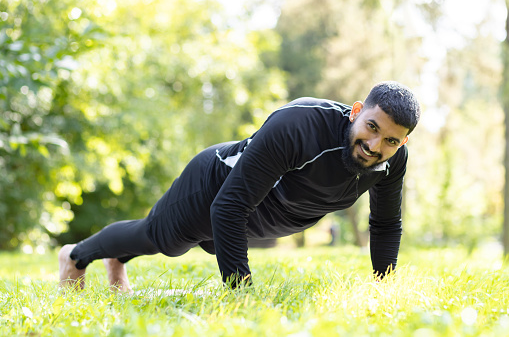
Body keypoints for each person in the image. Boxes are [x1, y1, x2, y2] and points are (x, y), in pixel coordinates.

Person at [59, 81, 420, 293]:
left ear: (401, 144)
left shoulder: (391, 162)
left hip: (258, 217)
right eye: (372, 127)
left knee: (167, 242)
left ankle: (117, 260)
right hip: (214, 186)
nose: (374, 146)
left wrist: (382, 288)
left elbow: (386, 224)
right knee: (161, 240)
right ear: (357, 111)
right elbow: (229, 206)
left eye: (390, 140)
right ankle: (76, 256)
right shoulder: (299, 125)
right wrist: (240, 293)